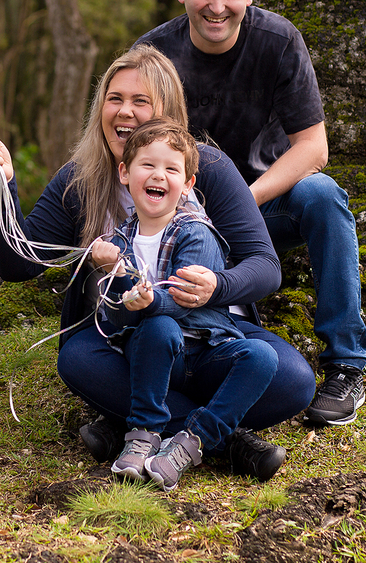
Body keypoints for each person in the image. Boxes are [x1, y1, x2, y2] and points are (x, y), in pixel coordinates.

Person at [0, 46, 315, 480]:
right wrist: (3, 185)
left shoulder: (205, 168)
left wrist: (218, 286)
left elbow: (266, 266)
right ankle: (223, 440)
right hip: (124, 340)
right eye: (115, 98)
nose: (125, 112)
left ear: (167, 112)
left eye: (141, 102)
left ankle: (130, 424)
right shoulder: (79, 179)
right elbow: (18, 264)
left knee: (294, 381)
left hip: (212, 335)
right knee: (78, 361)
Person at [136, 0, 366, 426]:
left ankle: (347, 366)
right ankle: (150, 387)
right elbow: (131, 148)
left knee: (323, 195)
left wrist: (242, 199)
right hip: (179, 217)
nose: (217, 5)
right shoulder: (154, 54)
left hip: (262, 205)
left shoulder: (278, 41)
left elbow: (314, 147)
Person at [93, 118, 283, 489]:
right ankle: (143, 432)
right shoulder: (117, 240)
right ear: (125, 173)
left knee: (263, 357)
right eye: (147, 165)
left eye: (171, 169)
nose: (158, 175)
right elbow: (111, 319)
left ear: (188, 184)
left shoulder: (196, 231)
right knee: (157, 328)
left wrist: (147, 300)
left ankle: (192, 441)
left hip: (207, 347)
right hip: (157, 354)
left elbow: (183, 300)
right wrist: (113, 275)